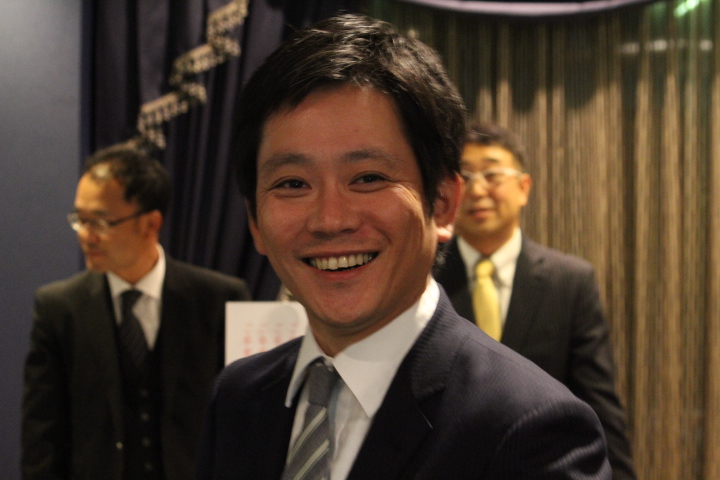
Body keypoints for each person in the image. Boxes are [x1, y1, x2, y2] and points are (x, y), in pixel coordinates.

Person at [197, 13, 611, 480]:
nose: (330, 220)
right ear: (254, 221)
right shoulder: (238, 398)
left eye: (368, 178)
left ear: (443, 203)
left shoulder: (530, 429)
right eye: (292, 183)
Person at [22, 147, 251, 480]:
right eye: (80, 219)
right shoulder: (59, 308)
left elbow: (242, 422)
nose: (86, 235)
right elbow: (42, 437)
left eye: (101, 221)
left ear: (150, 223)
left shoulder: (219, 300)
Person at [434, 122, 636, 479]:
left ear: (523, 188)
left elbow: (599, 405)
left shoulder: (570, 282)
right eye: (465, 177)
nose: (478, 190)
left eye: (492, 175)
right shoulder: (424, 281)